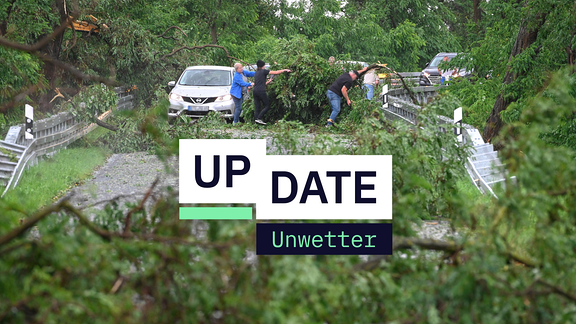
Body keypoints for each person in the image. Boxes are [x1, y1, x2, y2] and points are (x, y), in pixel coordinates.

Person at [252, 60, 291, 125]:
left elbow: (261, 83)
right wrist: (285, 70)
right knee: (267, 106)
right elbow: (276, 72)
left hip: (255, 91)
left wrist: (269, 81)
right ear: (263, 66)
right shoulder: (264, 71)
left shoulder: (256, 73)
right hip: (261, 91)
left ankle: (256, 121)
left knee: (257, 107)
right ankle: (259, 118)